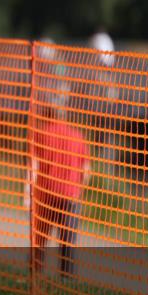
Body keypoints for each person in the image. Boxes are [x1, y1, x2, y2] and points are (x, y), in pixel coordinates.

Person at [28, 101, 91, 277]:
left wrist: (28, 195)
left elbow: (33, 165)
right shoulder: (77, 136)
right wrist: (79, 193)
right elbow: (86, 172)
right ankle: (66, 279)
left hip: (46, 195)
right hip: (70, 196)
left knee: (40, 239)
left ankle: (35, 275)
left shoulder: (41, 134)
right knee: (68, 242)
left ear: (48, 114)